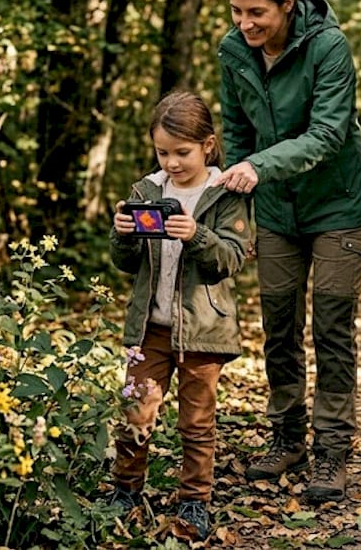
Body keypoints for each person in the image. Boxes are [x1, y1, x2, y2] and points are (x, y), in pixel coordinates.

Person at [215, 0, 361, 503]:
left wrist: (254, 168)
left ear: (288, 2)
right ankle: (287, 437)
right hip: (276, 210)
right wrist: (240, 213)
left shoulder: (328, 46)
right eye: (237, 12)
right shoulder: (233, 50)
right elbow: (234, 131)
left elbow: (329, 133)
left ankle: (332, 449)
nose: (245, 23)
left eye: (256, 12)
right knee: (279, 323)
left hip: (338, 204)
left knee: (332, 323)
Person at [107, 90, 252, 540]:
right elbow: (126, 264)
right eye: (162, 152)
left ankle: (195, 502)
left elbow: (231, 259)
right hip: (150, 327)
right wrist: (124, 234)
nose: (171, 162)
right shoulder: (147, 190)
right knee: (136, 410)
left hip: (203, 331)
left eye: (182, 152)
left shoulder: (223, 192)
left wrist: (198, 235)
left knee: (197, 421)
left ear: (208, 145)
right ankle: (125, 492)